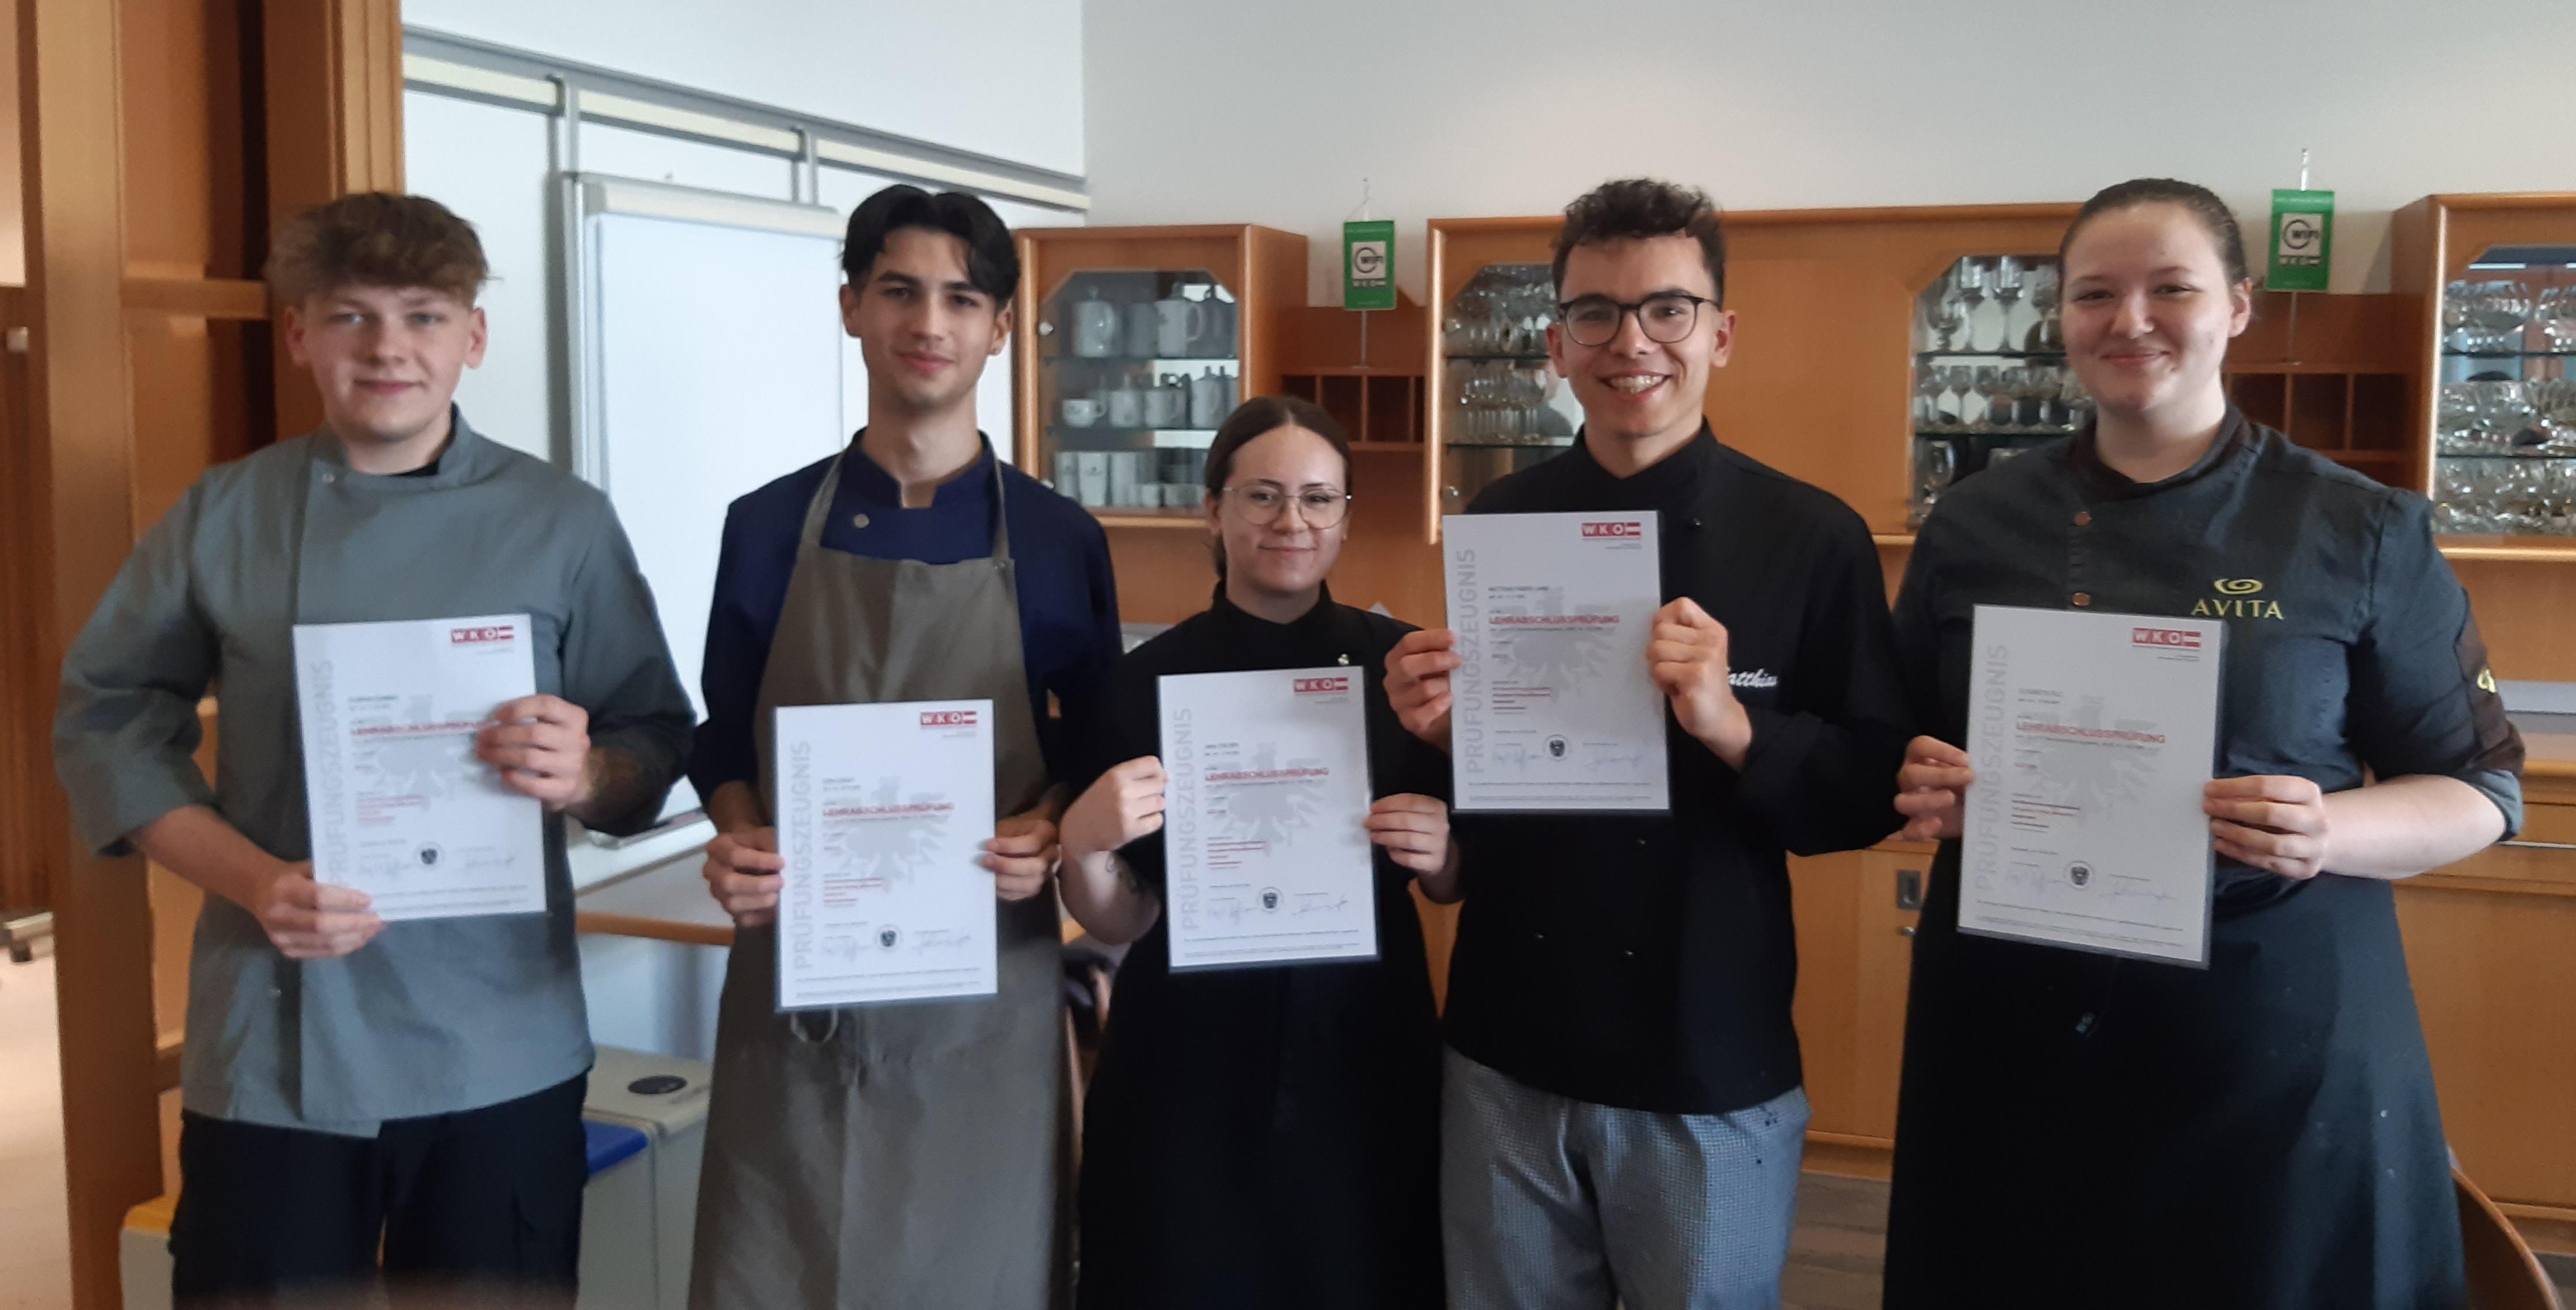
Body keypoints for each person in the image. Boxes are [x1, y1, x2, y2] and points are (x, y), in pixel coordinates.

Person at [1881, 178, 2524, 1309]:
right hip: (2013, 1017)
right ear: (2062, 318)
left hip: (2270, 1035)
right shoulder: (1976, 521)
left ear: (2237, 305)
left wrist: (2328, 830)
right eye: (2095, 294)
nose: (2129, 320)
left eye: (2170, 288)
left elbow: (2481, 788)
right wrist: (1931, 780)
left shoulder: (2359, 527)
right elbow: (1898, 735)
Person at [51, 192, 696, 1307]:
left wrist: (588, 772)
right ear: (299, 334)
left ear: (473, 338)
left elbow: (651, 738)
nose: (389, 348)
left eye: (424, 316)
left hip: (501, 1035)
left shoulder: (562, 520)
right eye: (352, 316)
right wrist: (254, 882)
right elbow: (107, 715)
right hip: (274, 1035)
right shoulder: (226, 515)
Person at [1383, 178, 1913, 1309]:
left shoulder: (1812, 536)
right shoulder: (1499, 524)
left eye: (1668, 310)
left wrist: (1732, 724)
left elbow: (1869, 792)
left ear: (1720, 334)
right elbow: (1470, 813)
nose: (1632, 343)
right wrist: (1441, 731)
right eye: (1597, 313)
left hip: (1709, 1057)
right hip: (1507, 1045)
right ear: (1556, 344)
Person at [686, 184, 1122, 1309]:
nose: (930, 323)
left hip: (987, 1000)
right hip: (798, 991)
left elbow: (1094, 751)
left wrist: (1048, 826)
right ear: (851, 307)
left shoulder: (1061, 539)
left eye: (962, 299)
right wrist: (738, 836)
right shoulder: (765, 526)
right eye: (899, 291)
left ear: (1001, 327)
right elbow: (722, 737)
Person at [1059, 396, 1459, 1309]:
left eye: (1318, 499)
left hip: (1363, 1043)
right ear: (1214, 510)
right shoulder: (1145, 680)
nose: (1292, 521)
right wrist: (1083, 848)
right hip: (1189, 1053)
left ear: (1345, 517)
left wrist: (1441, 854)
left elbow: (1455, 881)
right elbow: (1126, 914)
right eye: (1263, 496)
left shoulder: (1403, 670)